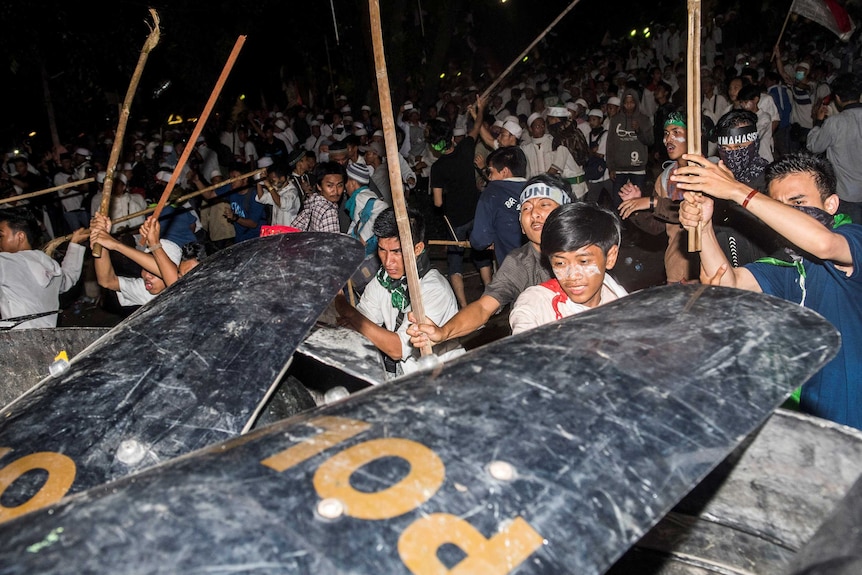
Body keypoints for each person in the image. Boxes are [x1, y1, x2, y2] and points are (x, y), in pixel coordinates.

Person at [674, 151, 862, 430]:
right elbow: (728, 283)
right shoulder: (788, 263)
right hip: (807, 414)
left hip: (851, 414)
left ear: (831, 204)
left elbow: (824, 245)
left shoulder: (852, 237)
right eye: (779, 206)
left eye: (798, 202)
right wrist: (703, 227)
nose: (786, 213)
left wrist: (737, 191)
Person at [407, 173, 570, 347]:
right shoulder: (519, 263)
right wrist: (443, 332)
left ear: (567, 212)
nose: (534, 213)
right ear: (521, 225)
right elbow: (483, 308)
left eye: (544, 204)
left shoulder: (590, 250)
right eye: (526, 208)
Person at [334, 207, 463, 379]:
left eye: (397, 252)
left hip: (443, 379)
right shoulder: (384, 279)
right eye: (382, 250)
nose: (388, 262)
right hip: (405, 379)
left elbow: (397, 349)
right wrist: (349, 322)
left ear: (417, 249)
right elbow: (363, 319)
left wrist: (347, 309)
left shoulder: (434, 289)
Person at [509, 202, 627, 335]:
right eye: (560, 263)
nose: (572, 276)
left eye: (583, 261)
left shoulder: (619, 298)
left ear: (610, 257)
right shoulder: (538, 303)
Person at [618, 111, 698, 283]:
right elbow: (657, 227)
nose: (669, 139)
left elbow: (695, 211)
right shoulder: (665, 178)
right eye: (666, 133)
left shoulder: (707, 172)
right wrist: (636, 208)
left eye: (676, 132)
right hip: (676, 270)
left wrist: (651, 202)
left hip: (705, 269)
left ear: (693, 136)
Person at [429, 95, 493, 308]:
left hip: (455, 219)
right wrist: (480, 109)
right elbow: (476, 127)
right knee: (481, 253)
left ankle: (464, 306)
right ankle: (491, 298)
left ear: (435, 146)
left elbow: (438, 203)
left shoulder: (437, 168)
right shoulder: (466, 147)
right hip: (475, 212)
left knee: (455, 261)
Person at [0, 210, 89, 329]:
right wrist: (75, 245)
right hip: (47, 337)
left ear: (20, 236)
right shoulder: (49, 263)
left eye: (1, 236)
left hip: (17, 340)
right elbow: (68, 277)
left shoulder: (7, 262)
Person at [89, 212, 182, 308]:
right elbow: (107, 281)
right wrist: (102, 241)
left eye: (153, 271)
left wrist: (116, 245)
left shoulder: (189, 286)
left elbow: (173, 279)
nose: (147, 276)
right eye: (145, 268)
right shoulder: (144, 290)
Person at [806, 72, 862, 224]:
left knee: (850, 237)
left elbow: (814, 146)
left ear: (837, 98)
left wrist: (818, 122)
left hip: (847, 194)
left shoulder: (835, 122)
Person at [469, 146, 528, 267]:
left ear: (504, 171)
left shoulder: (492, 192)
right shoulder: (537, 189)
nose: (489, 177)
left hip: (512, 268)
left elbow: (480, 239)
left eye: (491, 172)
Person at [606, 88, 654, 209]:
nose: (629, 105)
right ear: (622, 103)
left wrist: (638, 130)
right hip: (619, 169)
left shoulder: (644, 119)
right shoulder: (615, 120)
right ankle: (620, 227)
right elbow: (610, 144)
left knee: (636, 203)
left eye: (632, 102)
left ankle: (634, 226)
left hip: (638, 168)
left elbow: (650, 141)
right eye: (626, 102)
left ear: (636, 103)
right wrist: (611, 167)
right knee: (617, 202)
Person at [344, 163, 387, 256]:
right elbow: (358, 221)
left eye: (346, 182)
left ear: (353, 183)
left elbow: (382, 207)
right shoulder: (366, 194)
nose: (345, 186)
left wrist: (363, 236)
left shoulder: (361, 196)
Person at [291, 161, 345, 233]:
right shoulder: (329, 211)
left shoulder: (313, 201)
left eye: (339, 185)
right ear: (319, 186)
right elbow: (332, 243)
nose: (336, 191)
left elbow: (294, 228)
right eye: (329, 185)